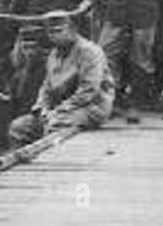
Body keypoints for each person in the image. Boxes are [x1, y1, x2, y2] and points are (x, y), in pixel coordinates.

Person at [8, 11, 115, 146]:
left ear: (72, 30)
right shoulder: (55, 53)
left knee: (55, 124)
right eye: (51, 32)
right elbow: (47, 86)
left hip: (91, 107)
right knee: (19, 126)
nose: (54, 36)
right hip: (59, 108)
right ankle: (23, 159)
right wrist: (42, 107)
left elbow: (88, 90)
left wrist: (59, 110)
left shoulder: (89, 51)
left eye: (59, 31)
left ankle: (52, 162)